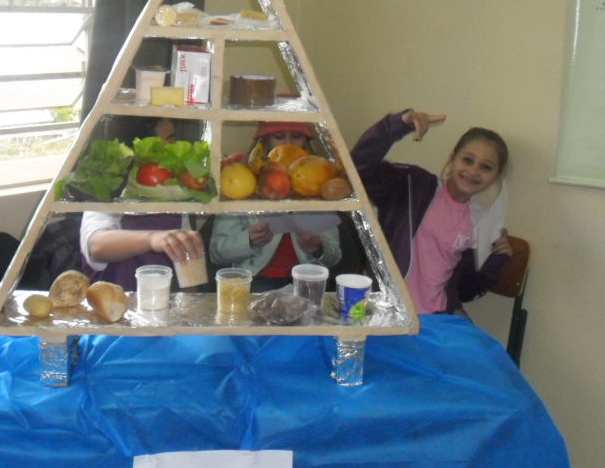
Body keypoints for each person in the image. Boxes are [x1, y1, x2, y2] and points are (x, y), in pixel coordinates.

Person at [350, 109, 513, 316]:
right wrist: (396, 125)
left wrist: (495, 261)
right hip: (387, 310)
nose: (473, 171)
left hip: (438, 316)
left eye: (486, 167)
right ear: (453, 159)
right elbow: (360, 167)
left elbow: (466, 291)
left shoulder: (482, 221)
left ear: (496, 176)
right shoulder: (411, 185)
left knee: (475, 338)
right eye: (467, 160)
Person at [209, 121, 341, 292]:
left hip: (306, 281)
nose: (288, 143)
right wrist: (247, 240)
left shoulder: (321, 181)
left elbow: (335, 257)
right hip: (254, 281)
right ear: (265, 141)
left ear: (306, 141)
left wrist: (319, 248)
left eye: (297, 136)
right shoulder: (242, 181)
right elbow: (216, 253)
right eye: (279, 137)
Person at [80, 116, 205, 289]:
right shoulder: (106, 192)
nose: (175, 148)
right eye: (170, 142)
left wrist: (191, 300)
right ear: (140, 150)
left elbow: (190, 273)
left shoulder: (172, 192)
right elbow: (97, 245)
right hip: (116, 304)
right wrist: (154, 239)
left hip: (166, 305)